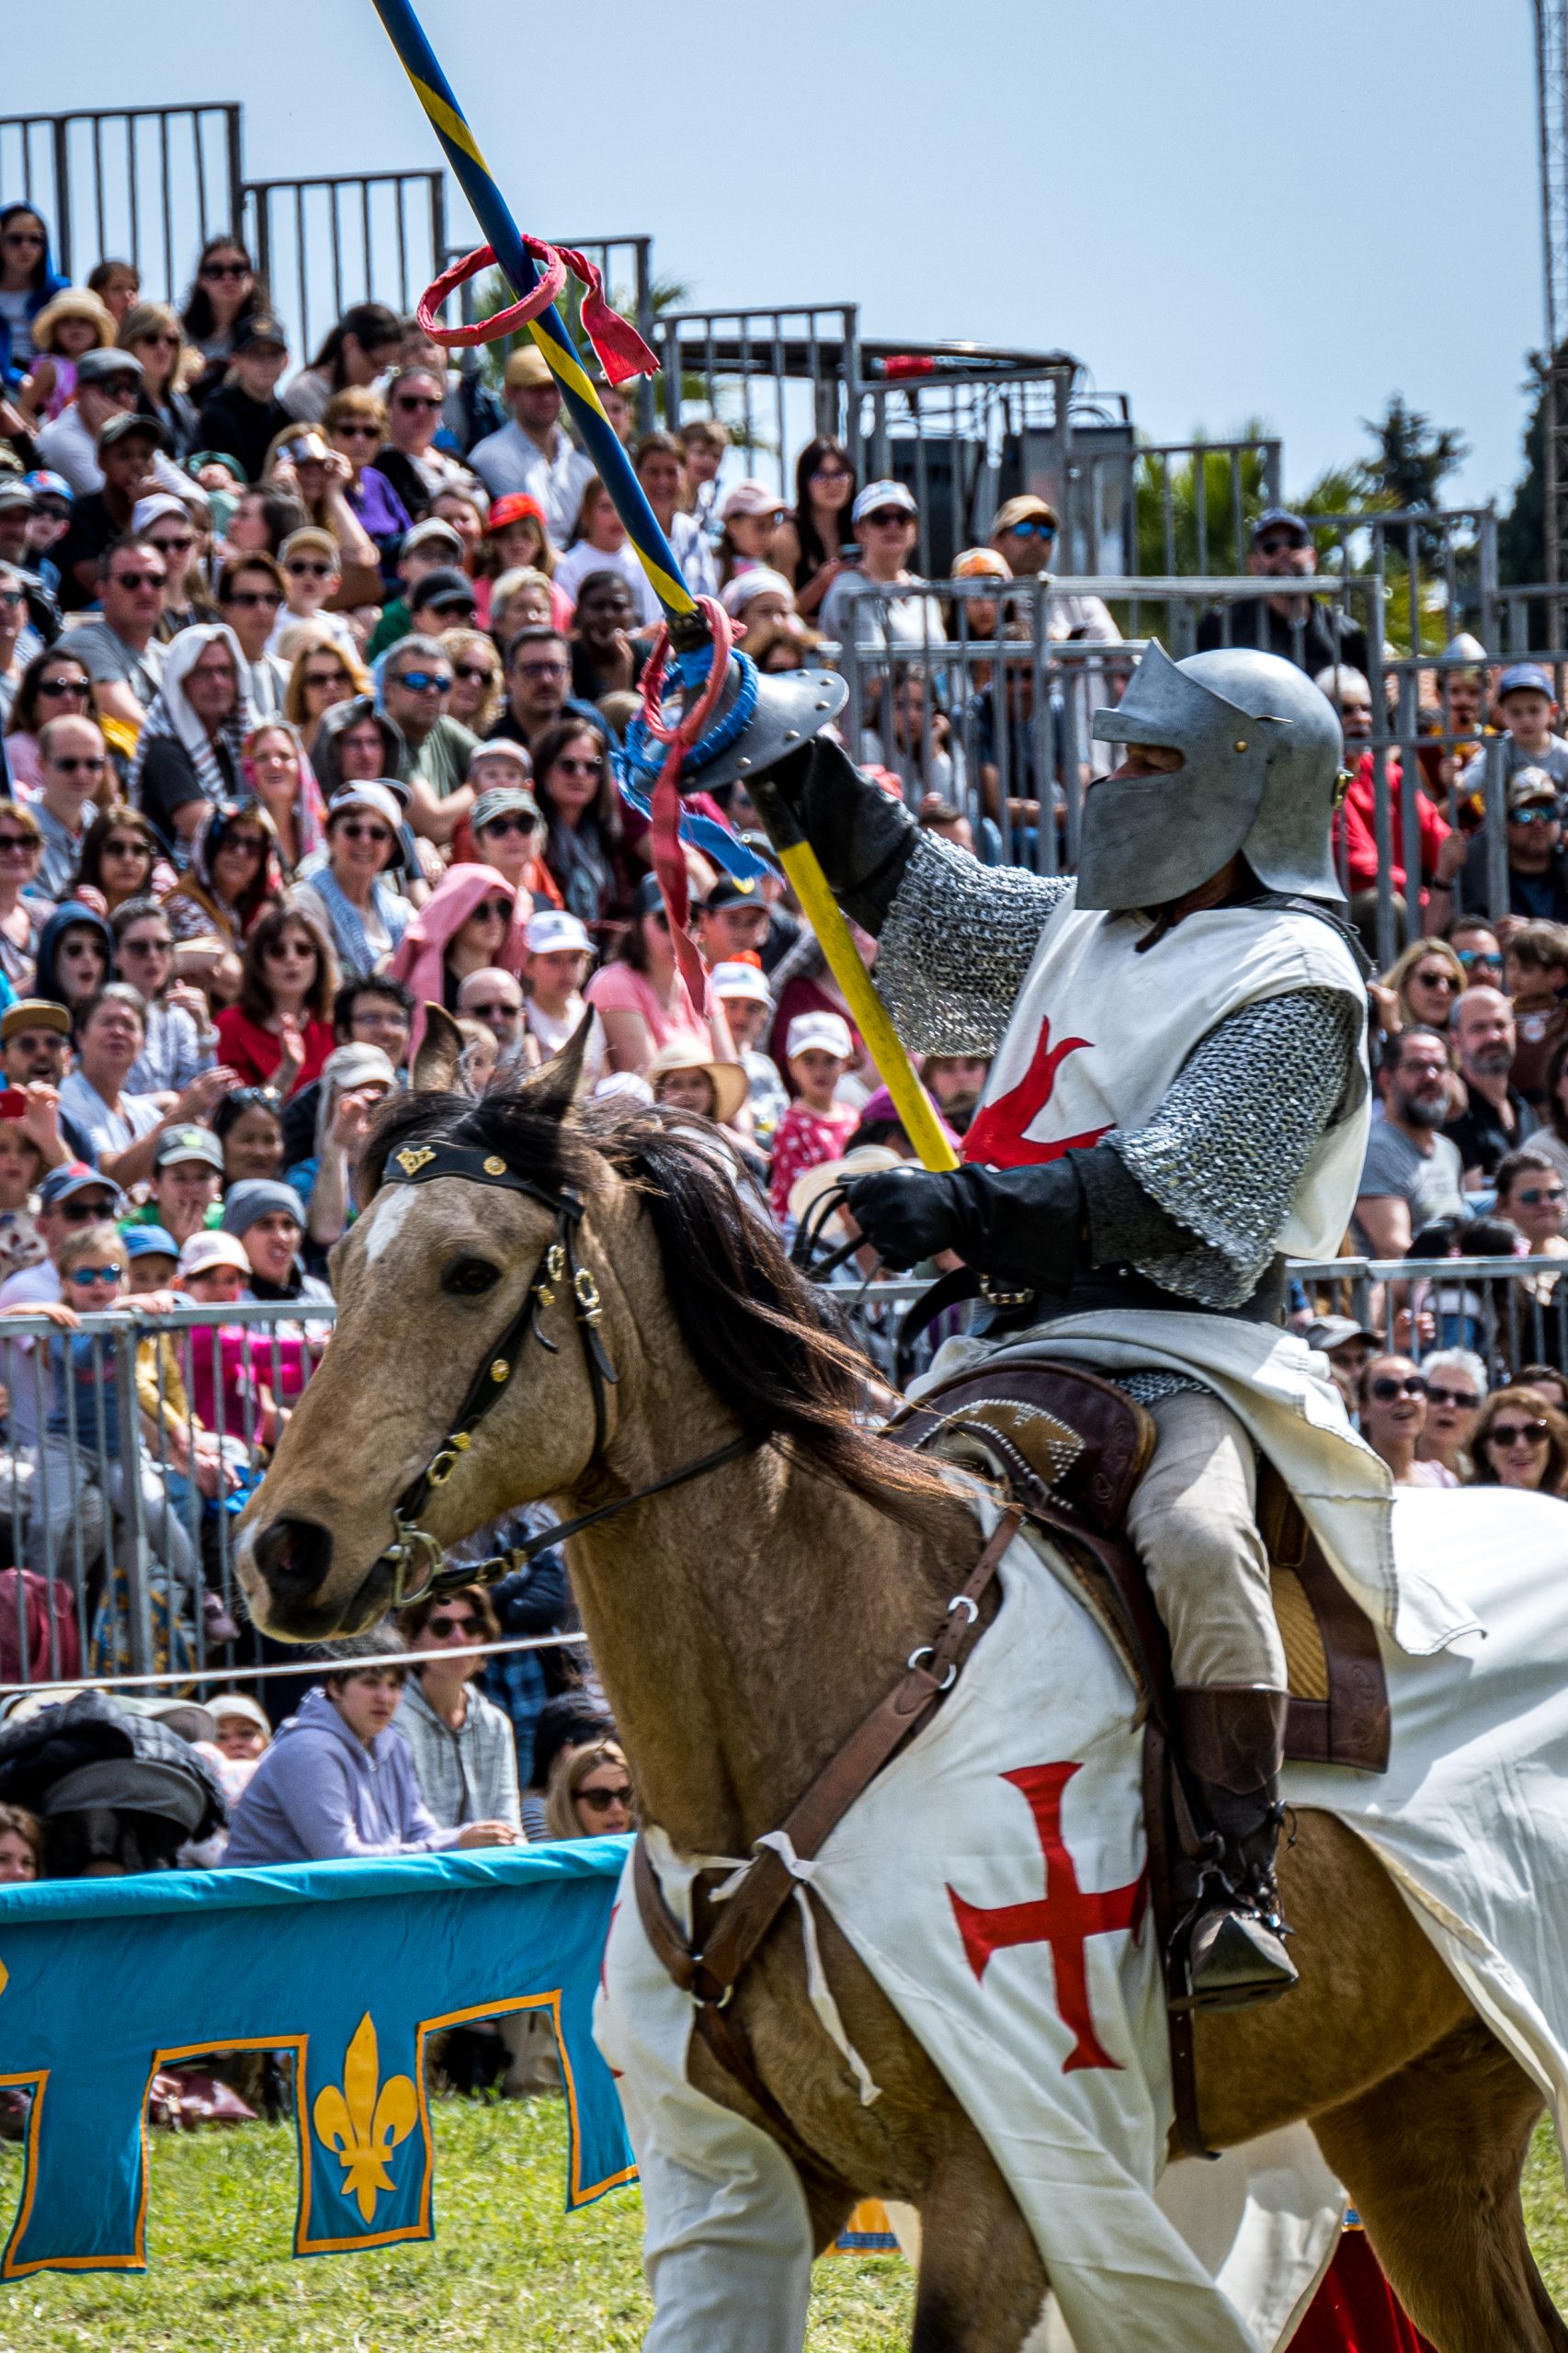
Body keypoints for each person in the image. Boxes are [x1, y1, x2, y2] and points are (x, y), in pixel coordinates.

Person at [758, 641, 1377, 2007]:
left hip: (1187, 1352)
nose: (1118, 786)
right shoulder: (1087, 925)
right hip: (1018, 1346)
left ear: (1244, 786)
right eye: (1121, 757)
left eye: (1149, 763)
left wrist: (961, 1206)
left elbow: (1171, 1189)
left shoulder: (1296, 974)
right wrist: (780, 748)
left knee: (1198, 1540)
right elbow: (918, 896)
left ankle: (1233, 1880)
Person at [224, 1626, 517, 1866]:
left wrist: (477, 1841)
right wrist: (456, 1843)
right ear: (336, 1687)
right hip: (271, 1922)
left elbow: (419, 1830)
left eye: (394, 1685)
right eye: (371, 1683)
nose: (385, 1697)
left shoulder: (394, 1745)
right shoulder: (308, 1751)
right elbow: (342, 1861)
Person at [23, 1219, 201, 1601]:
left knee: (158, 1514)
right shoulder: (61, 1327)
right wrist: (35, 1309)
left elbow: (188, 1305)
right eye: (85, 1276)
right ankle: (34, 1606)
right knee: (50, 1524)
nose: (99, 1284)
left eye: (110, 1273)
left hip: (122, 1449)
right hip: (68, 1446)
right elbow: (86, 1356)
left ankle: (201, 1591)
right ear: (66, 1283)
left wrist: (161, 1300)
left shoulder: (129, 1319)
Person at [60, 983, 231, 1189]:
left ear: (142, 1043)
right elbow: (110, 1178)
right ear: (81, 1037)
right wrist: (180, 1115)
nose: (118, 1031)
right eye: (107, 1022)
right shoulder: (69, 1094)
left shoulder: (140, 1111)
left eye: (129, 1025)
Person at [395, 1585, 522, 1831]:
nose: (459, 1638)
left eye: (471, 1626)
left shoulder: (495, 1722)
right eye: (442, 1628)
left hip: (488, 1863)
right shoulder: (395, 1720)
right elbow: (404, 1828)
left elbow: (509, 1823)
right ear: (413, 1641)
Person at [1196, 507, 1369, 676]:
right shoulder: (1223, 625)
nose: (1284, 551)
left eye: (1295, 544)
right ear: (1254, 564)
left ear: (1313, 558)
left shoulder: (1345, 633)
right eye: (1270, 547)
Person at [128, 623, 253, 849]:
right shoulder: (163, 748)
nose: (217, 682)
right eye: (204, 673)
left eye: (225, 671)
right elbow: (199, 825)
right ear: (180, 683)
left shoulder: (228, 745)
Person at [1354, 1029, 1468, 1256]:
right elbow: (1393, 1250)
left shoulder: (1448, 1151)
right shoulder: (1376, 1150)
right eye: (1417, 1067)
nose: (1431, 1076)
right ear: (1386, 1080)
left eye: (1440, 1067)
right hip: (1397, 1288)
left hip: (1453, 1284)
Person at [585, 873, 713, 1074]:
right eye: (665, 920)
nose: (680, 932)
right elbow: (650, 1082)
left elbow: (729, 1068)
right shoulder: (613, 983)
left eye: (691, 919)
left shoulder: (702, 983)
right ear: (636, 927)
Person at [468, 343, 594, 542]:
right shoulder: (491, 456)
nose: (546, 398)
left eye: (554, 388)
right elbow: (521, 537)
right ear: (510, 393)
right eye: (535, 389)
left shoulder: (584, 466)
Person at [288, 781, 415, 979]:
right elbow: (324, 985)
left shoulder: (401, 912)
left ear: (391, 848)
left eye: (378, 833)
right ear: (330, 837)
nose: (365, 841)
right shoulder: (304, 901)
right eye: (353, 830)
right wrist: (380, 980)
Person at [385, 863, 527, 1038]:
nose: (495, 919)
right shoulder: (425, 987)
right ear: (455, 914)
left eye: (503, 909)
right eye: (481, 911)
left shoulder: (509, 983)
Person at [52, 411, 171, 610]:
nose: (137, 464)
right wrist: (138, 516)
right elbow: (102, 587)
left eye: (145, 455)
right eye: (124, 456)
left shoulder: (163, 510)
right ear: (101, 462)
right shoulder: (81, 515)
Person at [214, 907, 336, 1099]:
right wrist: (287, 1072)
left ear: (318, 961)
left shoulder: (332, 1024)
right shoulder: (231, 1025)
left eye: (303, 950)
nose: (291, 959)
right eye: (277, 951)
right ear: (258, 964)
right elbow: (240, 1119)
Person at [285, 1040, 395, 1245]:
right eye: (352, 1099)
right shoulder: (305, 1175)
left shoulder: (400, 1171)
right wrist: (337, 1145)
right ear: (327, 1104)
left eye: (377, 1103)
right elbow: (326, 1232)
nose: (363, 1112)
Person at [819, 481, 946, 654]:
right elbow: (874, 677)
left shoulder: (924, 592)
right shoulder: (849, 589)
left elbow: (944, 668)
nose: (893, 525)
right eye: (880, 518)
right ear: (859, 532)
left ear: (914, 530)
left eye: (902, 518)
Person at [111, 899, 220, 1092]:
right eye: (139, 947)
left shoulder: (178, 1017)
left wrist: (202, 1030)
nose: (152, 955)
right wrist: (163, 1102)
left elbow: (205, 1101)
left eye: (162, 946)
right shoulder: (102, 1015)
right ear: (115, 956)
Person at [529, 716, 624, 926]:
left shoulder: (605, 836)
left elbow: (620, 906)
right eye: (568, 765)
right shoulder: (527, 833)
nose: (580, 775)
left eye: (592, 767)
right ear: (544, 772)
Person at [767, 1011, 858, 1220]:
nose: (820, 1070)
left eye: (830, 1060)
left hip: (849, 1225)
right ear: (792, 1066)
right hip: (803, 1228)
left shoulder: (854, 1119)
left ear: (846, 1064)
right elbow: (801, 1192)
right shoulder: (790, 1125)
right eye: (809, 1060)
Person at [159, 802, 280, 957]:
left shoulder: (239, 910)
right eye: (230, 840)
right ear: (209, 848)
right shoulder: (183, 906)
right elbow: (226, 974)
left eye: (253, 846)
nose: (240, 852)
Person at [1452, 766, 1568, 926]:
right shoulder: (1479, 872)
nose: (1538, 822)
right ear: (1503, 822)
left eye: (1548, 812)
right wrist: (1443, 876)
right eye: (1525, 815)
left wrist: (1530, 931)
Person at [1444, 986, 1537, 1186]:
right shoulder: (1451, 1113)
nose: (1493, 1037)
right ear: (1455, 1039)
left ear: (1513, 1030)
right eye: (1478, 1028)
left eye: (1500, 1025)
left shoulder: (1525, 1110)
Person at [380, 632, 479, 819]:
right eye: (418, 681)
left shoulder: (442, 726)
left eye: (441, 683)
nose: (432, 691)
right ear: (388, 689)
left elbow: (501, 758)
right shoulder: (379, 740)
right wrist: (491, 782)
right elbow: (436, 822)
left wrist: (495, 775)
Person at [195, 312, 291, 489]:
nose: (266, 363)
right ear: (235, 361)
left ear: (286, 362)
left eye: (274, 355)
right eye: (255, 355)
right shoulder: (217, 414)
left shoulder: (287, 419)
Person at [32, 346, 145, 498]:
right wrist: (118, 434)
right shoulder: (61, 438)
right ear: (79, 392)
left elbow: (183, 488)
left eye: (131, 388)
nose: (123, 396)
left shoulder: (130, 432)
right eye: (112, 387)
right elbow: (115, 502)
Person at [322, 387, 410, 578]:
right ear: (329, 435)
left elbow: (412, 538)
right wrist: (334, 492)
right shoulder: (319, 484)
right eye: (348, 430)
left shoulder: (378, 480)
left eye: (370, 431)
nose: (360, 439)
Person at [0, 999, 98, 1165]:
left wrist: (53, 1145)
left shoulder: (75, 1132)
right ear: (3, 1062)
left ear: (67, 1059)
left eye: (53, 1043)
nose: (42, 1052)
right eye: (27, 1044)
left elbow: (90, 1189)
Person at [553, 477, 661, 629]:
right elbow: (568, 626)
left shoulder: (642, 563)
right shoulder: (569, 565)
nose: (616, 515)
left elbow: (652, 620)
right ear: (586, 514)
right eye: (605, 507)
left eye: (622, 507)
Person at [771, 435, 858, 620]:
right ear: (804, 481)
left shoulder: (865, 529)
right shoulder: (788, 535)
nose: (832, 483)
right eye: (820, 475)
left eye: (840, 474)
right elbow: (782, 612)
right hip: (807, 643)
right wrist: (822, 583)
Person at [280, 301, 403, 427]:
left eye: (386, 367)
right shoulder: (305, 392)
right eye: (376, 364)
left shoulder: (377, 393)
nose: (381, 375)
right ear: (350, 343)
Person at [29, 716, 109, 898]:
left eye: (93, 764)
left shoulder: (105, 826)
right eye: (68, 764)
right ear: (41, 765)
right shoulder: (16, 833)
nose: (81, 774)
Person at [221, 1176, 330, 1306]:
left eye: (288, 1225)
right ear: (236, 1237)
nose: (280, 1237)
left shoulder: (319, 1295)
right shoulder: (222, 1299)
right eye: (265, 1225)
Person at [710, 958, 787, 1140]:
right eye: (732, 1005)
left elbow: (783, 1120)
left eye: (752, 1008)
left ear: (763, 1018)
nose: (741, 1016)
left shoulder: (765, 1067)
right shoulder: (701, 1064)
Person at [239, 720, 326, 881]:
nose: (274, 764)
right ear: (251, 771)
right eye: (262, 757)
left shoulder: (321, 831)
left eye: (285, 756)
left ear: (300, 767)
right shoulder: (240, 834)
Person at [3, 643, 94, 796]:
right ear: (32, 699)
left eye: (80, 688)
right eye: (55, 688)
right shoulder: (15, 752)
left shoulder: (96, 748)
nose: (69, 698)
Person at [491, 625, 594, 757]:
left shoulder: (588, 721)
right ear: (509, 678)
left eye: (555, 668)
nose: (546, 680)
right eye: (532, 670)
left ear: (569, 675)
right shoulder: (488, 726)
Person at [519, 907, 602, 1070]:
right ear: (528, 964)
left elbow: (602, 1079)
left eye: (574, 959)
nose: (566, 970)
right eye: (553, 960)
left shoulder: (587, 1014)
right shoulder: (521, 1018)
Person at [1357, 1356, 1456, 1489]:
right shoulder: (1345, 1484)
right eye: (1386, 1389)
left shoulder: (1443, 1481)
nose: (1403, 1397)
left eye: (1413, 1386)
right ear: (1363, 1410)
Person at [117, 302, 199, 461]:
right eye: (151, 339)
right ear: (129, 345)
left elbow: (199, 454)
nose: (163, 348)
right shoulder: (121, 399)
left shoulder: (182, 402)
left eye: (171, 340)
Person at [216, 552, 290, 719]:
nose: (262, 609)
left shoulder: (288, 676)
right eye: (248, 599)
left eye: (271, 598)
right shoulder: (212, 677)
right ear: (224, 607)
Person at [180, 235, 267, 377]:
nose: (228, 278)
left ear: (251, 278)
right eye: (215, 271)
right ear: (201, 279)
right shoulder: (178, 334)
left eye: (238, 270)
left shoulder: (264, 334)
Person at [0, 203, 66, 387]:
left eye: (35, 240)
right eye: (15, 239)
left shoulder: (58, 292)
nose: (26, 247)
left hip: (52, 381)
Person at [469, 767, 556, 904]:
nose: (513, 835)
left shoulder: (543, 906)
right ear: (478, 843)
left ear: (539, 838)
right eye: (498, 827)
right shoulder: (465, 906)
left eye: (524, 825)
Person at [281, 625, 369, 758]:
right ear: (300, 691)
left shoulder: (372, 740)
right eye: (318, 680)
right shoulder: (286, 749)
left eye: (341, 676)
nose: (331, 686)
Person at [1466, 1384, 1568, 1495]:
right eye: (1505, 1435)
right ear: (1485, 1450)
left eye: (1534, 1432)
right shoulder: (1466, 1506)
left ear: (1551, 1444)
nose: (1521, 1445)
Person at [569, 570, 653, 702]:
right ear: (579, 613)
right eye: (598, 606)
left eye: (618, 607)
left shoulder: (650, 658)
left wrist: (622, 665)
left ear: (631, 614)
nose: (608, 615)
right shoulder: (565, 658)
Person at [1369, 937, 1466, 1043]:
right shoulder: (1372, 1033)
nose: (1443, 990)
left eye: (1453, 983)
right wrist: (1391, 1032)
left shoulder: (1466, 1046)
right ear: (1403, 983)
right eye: (1430, 979)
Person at [1414, 1347, 1487, 1480]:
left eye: (1463, 1400)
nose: (1449, 1406)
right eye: (1437, 1395)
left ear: (1477, 1415)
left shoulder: (1481, 1479)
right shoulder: (1392, 1468)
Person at [542, 1737, 634, 1840]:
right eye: (600, 1797)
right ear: (570, 1804)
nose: (617, 1808)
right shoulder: (551, 1855)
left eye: (625, 1794)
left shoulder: (651, 1853)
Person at [714, 479, 790, 590]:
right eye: (760, 527)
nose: (768, 536)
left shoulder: (769, 572)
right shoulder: (714, 569)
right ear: (733, 527)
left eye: (772, 527)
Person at [211, 1086, 285, 1186]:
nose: (259, 1152)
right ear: (220, 1142)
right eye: (247, 1140)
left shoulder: (294, 1198)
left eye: (269, 1140)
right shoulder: (194, 1199)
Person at [441, 628, 504, 739]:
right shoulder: (413, 735)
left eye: (485, 676)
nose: (475, 682)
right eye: (463, 671)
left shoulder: (496, 740)